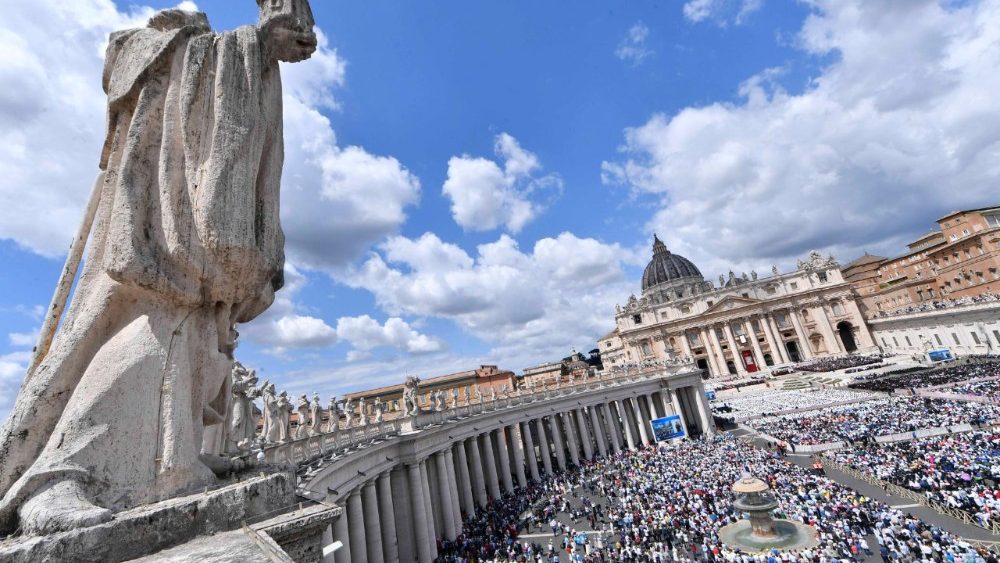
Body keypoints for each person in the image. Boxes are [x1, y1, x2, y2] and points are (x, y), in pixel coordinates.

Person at [0, 0, 317, 535]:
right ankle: (57, 476)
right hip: (159, 227)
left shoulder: (217, 56)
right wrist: (256, 43)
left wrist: (263, 49)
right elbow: (126, 68)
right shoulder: (164, 40)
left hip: (187, 250)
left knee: (191, 340)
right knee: (147, 340)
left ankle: (172, 462)